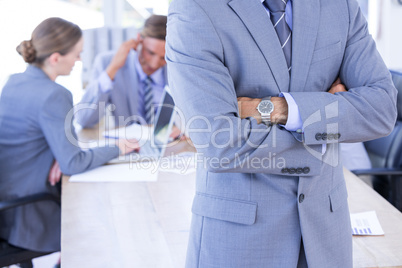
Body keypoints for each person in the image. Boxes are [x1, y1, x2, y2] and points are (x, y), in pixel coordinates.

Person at [165, 0, 397, 267]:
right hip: (240, 243)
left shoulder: (340, 5)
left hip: (327, 239)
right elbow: (219, 143)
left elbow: (382, 110)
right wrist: (325, 125)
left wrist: (279, 108)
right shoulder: (196, 8)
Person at [0, 17, 137, 254]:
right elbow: (73, 163)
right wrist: (120, 147)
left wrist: (56, 153)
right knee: (111, 219)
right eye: (76, 54)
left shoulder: (14, 81)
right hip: (31, 214)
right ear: (55, 58)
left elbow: (28, 138)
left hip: (7, 206)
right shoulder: (55, 95)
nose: (79, 60)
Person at [75, 14, 168, 129]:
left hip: (169, 144)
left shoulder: (175, 71)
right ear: (139, 40)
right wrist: (113, 69)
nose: (154, 64)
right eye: (150, 53)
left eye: (164, 58)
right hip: (128, 144)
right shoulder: (107, 62)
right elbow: (84, 119)